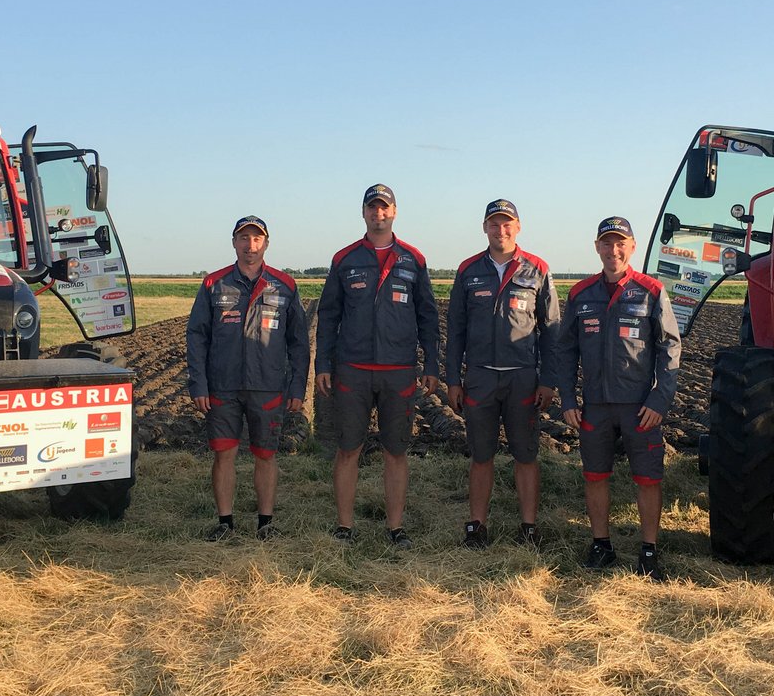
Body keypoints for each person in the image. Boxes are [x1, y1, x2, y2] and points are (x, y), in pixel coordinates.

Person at [556, 216, 682, 579]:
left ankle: (648, 551)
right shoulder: (580, 294)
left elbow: (670, 348)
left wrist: (660, 400)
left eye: (620, 243)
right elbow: (566, 351)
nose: (614, 250)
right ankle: (601, 546)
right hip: (595, 406)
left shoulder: (651, 291)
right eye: (607, 243)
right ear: (597, 247)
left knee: (648, 478)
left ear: (632, 247)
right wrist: (568, 399)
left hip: (640, 407)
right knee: (595, 475)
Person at [315, 184, 440, 548]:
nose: (378, 213)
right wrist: (323, 363)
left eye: (384, 207)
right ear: (364, 213)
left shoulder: (413, 259)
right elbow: (328, 316)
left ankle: (395, 528)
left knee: (396, 451)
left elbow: (428, 316)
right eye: (372, 207)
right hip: (352, 369)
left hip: (398, 370)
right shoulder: (345, 259)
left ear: (394, 212)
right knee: (348, 449)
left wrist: (431, 363)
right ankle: (344, 527)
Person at [186, 216, 309, 540]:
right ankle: (225, 524)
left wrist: (297, 386)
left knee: (266, 454)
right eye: (243, 238)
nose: (250, 245)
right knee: (223, 453)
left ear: (266, 244)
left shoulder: (284, 285)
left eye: (256, 239)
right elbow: (196, 336)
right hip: (222, 385)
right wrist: (198, 383)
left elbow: (299, 342)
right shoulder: (214, 284)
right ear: (234, 242)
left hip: (267, 385)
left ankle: (265, 524)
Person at [446, 199, 560, 549]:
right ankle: (477, 526)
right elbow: (456, 330)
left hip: (522, 378)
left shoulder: (537, 269)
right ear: (484, 228)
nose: (501, 230)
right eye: (494, 224)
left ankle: (529, 527)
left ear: (518, 227)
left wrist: (548, 380)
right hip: (480, 378)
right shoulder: (468, 270)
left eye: (507, 223)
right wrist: (453, 379)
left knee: (525, 455)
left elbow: (552, 330)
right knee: (481, 455)